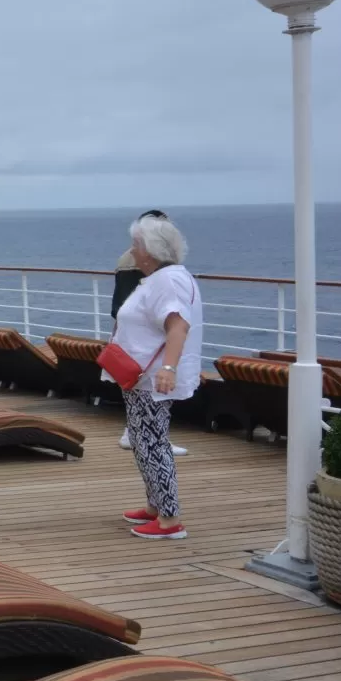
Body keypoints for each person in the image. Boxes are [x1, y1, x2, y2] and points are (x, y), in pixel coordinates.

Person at [109, 214, 203, 539]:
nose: (131, 251)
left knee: (152, 442)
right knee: (141, 440)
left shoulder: (168, 281)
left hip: (151, 378)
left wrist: (168, 368)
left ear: (150, 251)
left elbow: (178, 326)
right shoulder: (159, 278)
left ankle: (169, 520)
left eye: (135, 245)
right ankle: (155, 505)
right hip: (139, 377)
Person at [113, 210, 188, 457]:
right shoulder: (157, 273)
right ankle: (147, 438)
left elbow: (119, 307)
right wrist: (169, 367)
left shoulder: (127, 261)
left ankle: (140, 436)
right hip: (144, 348)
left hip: (129, 338)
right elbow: (175, 322)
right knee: (151, 436)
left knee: (145, 433)